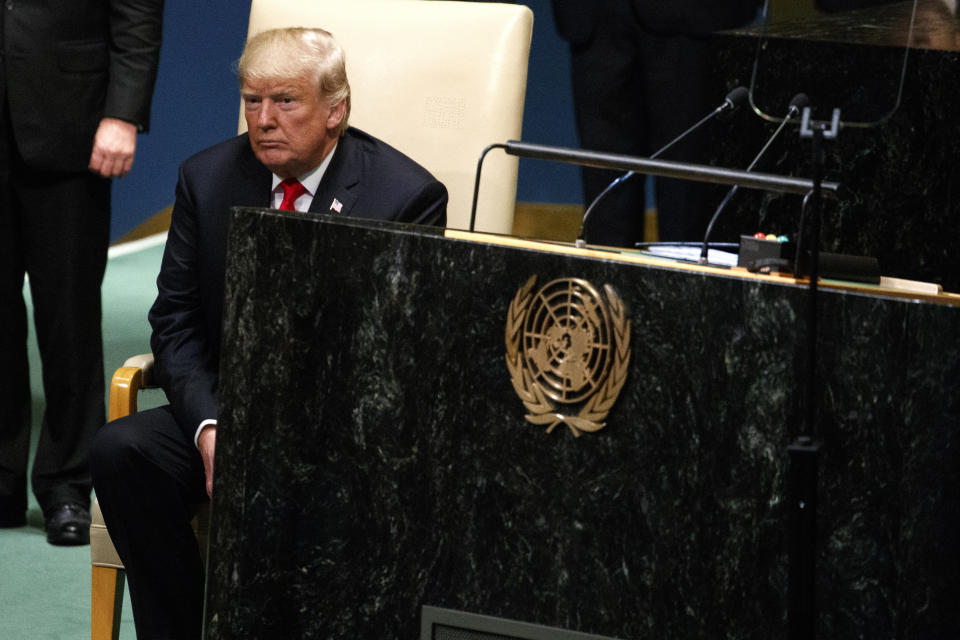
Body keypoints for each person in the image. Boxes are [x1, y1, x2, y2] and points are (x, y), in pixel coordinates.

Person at [91, 27, 447, 639]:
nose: (263, 119)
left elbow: (400, 356)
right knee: (122, 452)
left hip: (343, 429)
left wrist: (299, 440)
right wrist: (210, 425)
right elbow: (173, 322)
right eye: (252, 101)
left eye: (285, 101)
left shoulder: (405, 196)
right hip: (230, 407)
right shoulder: (207, 178)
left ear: (336, 110)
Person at [0, 0, 164, 545]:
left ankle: (67, 485)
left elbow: (136, 17)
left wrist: (122, 114)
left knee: (67, 315)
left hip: (71, 125)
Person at [550, 0, 760, 246]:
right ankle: (608, 283)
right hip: (596, 16)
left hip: (692, 18)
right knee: (605, 194)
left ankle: (685, 284)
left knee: (688, 192)